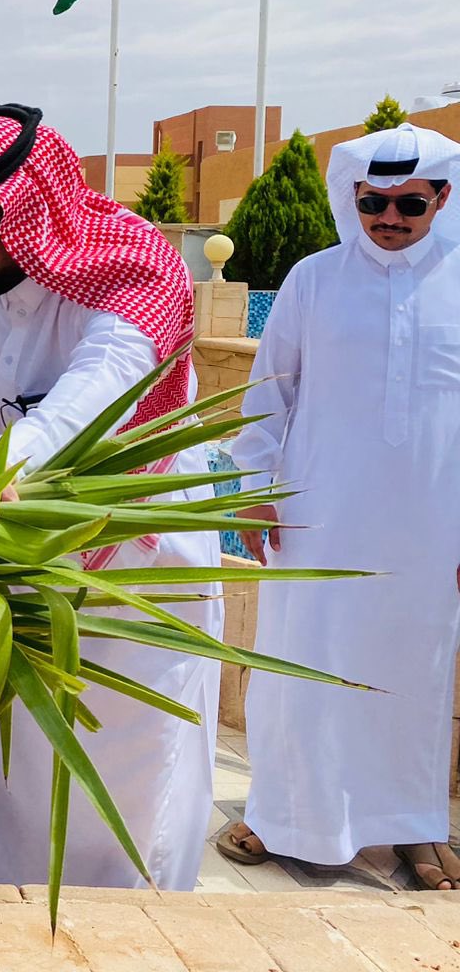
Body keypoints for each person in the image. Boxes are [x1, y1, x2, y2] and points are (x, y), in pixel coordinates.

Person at [0, 104, 219, 891]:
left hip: (136, 579)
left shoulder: (138, 269)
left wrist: (0, 465)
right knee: (12, 778)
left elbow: (105, 384)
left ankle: (131, 939)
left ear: (33, 211)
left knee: (132, 793)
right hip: (13, 573)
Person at [221, 123, 460, 888]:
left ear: (441, 198)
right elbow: (270, 390)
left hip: (431, 526)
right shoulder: (314, 279)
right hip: (317, 515)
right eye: (372, 203)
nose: (388, 218)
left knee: (413, 674)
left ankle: (411, 825)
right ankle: (280, 815)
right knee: (302, 665)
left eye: (409, 204)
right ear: (352, 198)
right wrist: (254, 491)